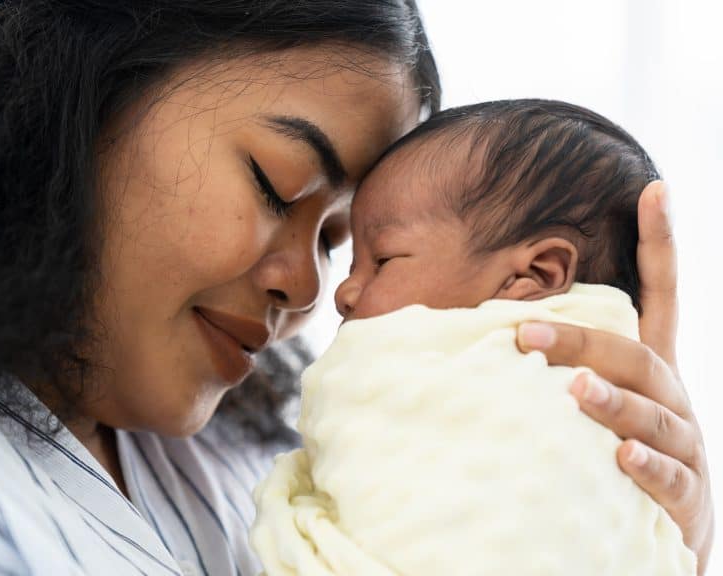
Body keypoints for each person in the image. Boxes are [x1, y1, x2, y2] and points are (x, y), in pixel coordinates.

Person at [0, 2, 713, 575]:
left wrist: (612, 516)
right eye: (277, 187)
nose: (312, 290)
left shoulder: (259, 456)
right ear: (74, 96)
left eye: (335, 241)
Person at [251, 99, 696, 575]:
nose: (342, 292)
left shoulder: (595, 398)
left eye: (382, 259)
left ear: (537, 275)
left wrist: (687, 540)